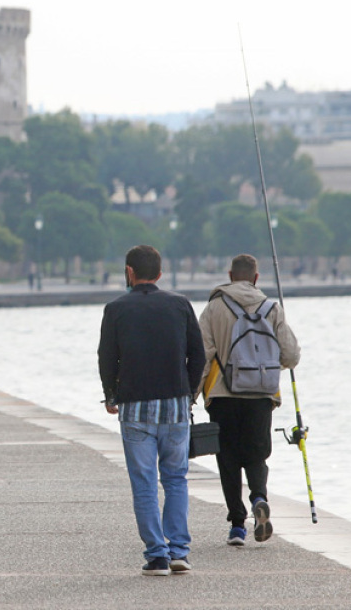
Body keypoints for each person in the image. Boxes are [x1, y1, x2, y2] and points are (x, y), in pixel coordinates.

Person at [98, 245, 205, 576]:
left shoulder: (115, 309)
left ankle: (156, 555)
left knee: (144, 482)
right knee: (176, 479)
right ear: (159, 273)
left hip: (135, 408)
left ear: (129, 272)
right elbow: (198, 356)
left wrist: (111, 395)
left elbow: (106, 358)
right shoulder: (180, 304)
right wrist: (187, 394)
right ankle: (179, 552)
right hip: (175, 406)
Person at [197, 254, 300, 546]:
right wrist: (265, 369)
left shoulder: (214, 307)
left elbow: (202, 355)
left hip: (222, 395)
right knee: (257, 455)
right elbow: (291, 355)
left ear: (230, 276)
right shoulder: (272, 308)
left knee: (227, 459)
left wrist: (192, 394)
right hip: (261, 396)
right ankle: (259, 498)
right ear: (256, 278)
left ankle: (237, 526)